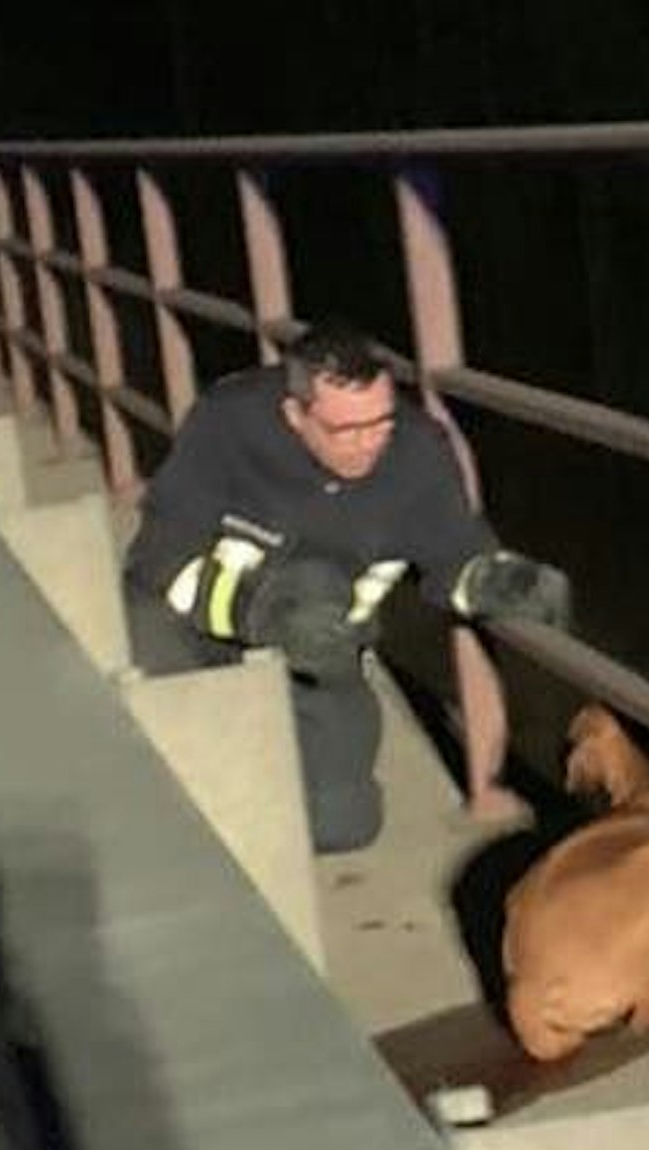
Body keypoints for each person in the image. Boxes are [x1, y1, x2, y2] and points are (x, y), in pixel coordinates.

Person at [121, 319, 572, 854]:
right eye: (345, 430)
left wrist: (501, 582)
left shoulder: (415, 450)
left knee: (344, 823)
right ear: (296, 414)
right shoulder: (229, 423)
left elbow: (452, 554)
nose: (368, 445)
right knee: (162, 770)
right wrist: (258, 609)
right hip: (197, 632)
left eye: (380, 423)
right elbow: (159, 559)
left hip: (321, 650)